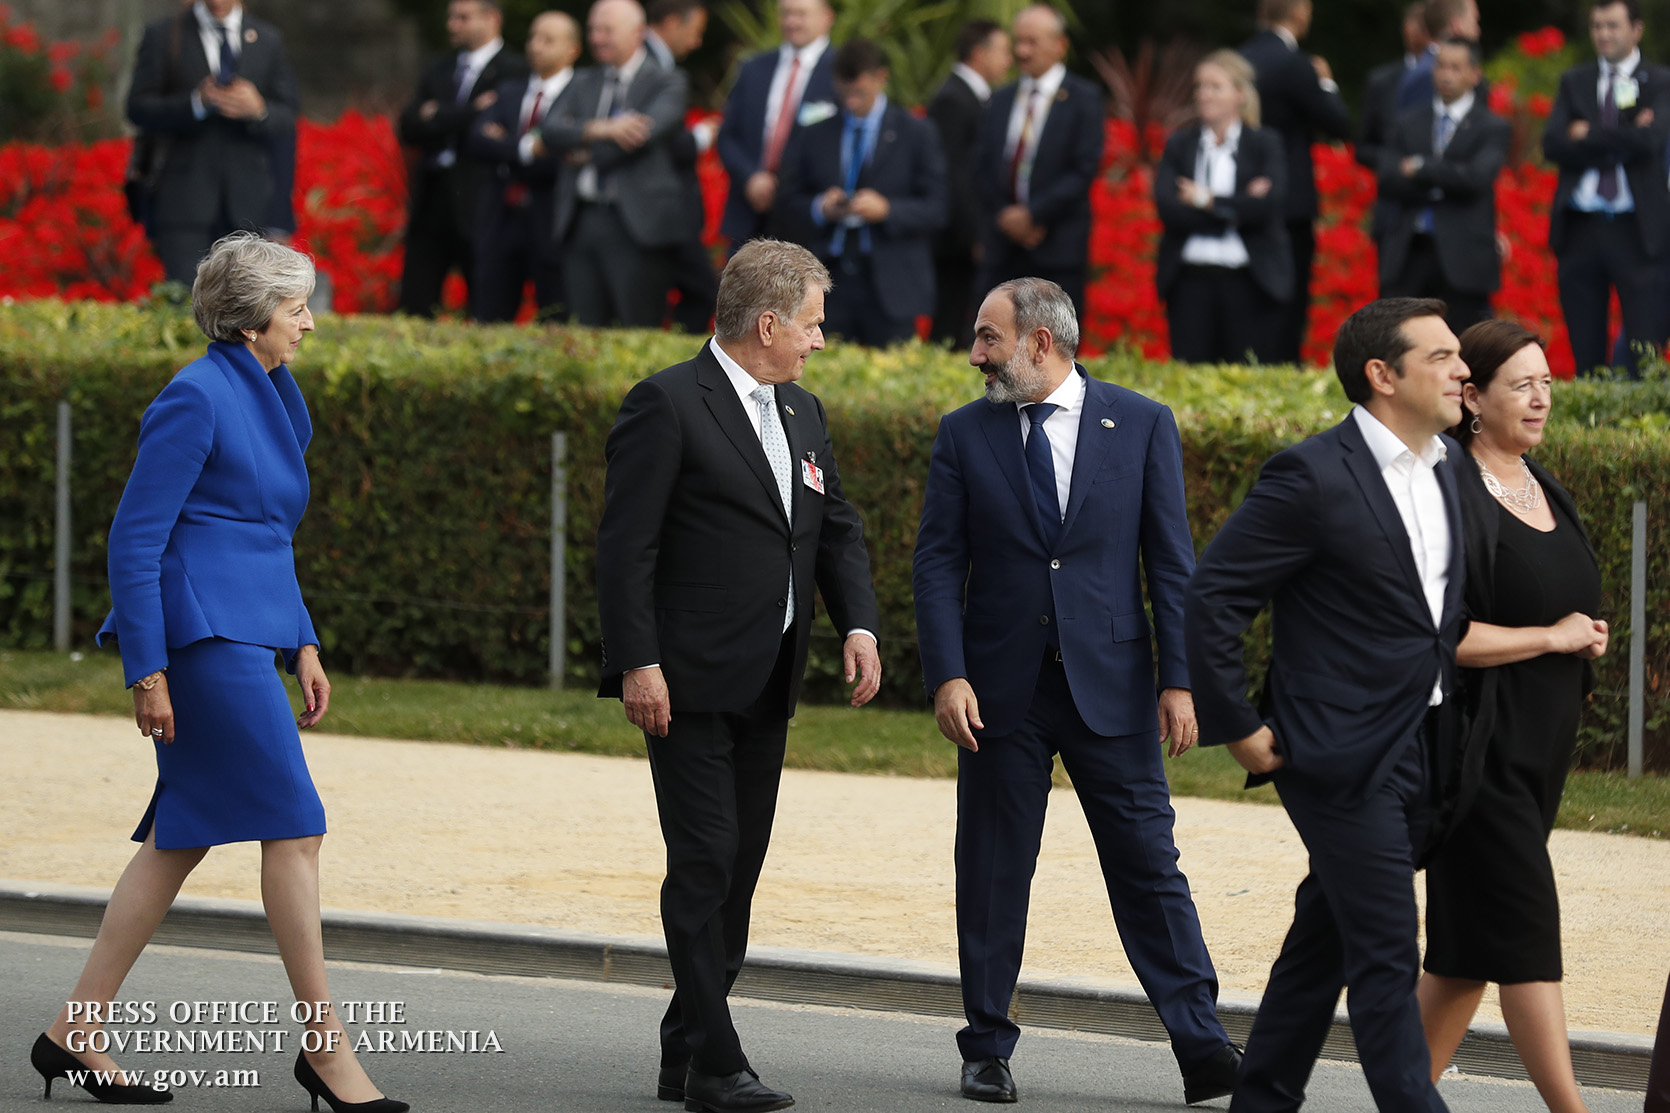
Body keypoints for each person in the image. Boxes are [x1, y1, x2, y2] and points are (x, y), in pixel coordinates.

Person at [27, 233, 405, 1113]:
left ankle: (76, 1029)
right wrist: (147, 670)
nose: (309, 321)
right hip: (200, 642)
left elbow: (268, 534)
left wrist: (303, 640)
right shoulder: (194, 395)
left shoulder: (275, 393)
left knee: (179, 838)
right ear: (248, 320)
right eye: (295, 307)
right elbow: (135, 539)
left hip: (249, 632)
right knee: (296, 826)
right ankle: (325, 1048)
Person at [912, 277, 1241, 1106]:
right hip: (999, 693)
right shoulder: (964, 434)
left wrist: (1180, 680)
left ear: (1040, 342)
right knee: (992, 867)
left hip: (1114, 689)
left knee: (1149, 864)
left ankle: (1203, 1045)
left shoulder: (1141, 422)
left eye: (988, 338)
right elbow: (938, 562)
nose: (976, 355)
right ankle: (986, 1046)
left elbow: (1173, 565)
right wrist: (948, 673)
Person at [594, 238, 882, 1113]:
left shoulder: (803, 409)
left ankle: (683, 1046)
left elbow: (835, 527)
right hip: (683, 682)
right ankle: (718, 1066)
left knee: (740, 867)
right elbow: (625, 548)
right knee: (705, 859)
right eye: (812, 325)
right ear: (767, 324)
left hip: (771, 677)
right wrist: (638, 662)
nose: (819, 340)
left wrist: (858, 622)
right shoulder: (667, 403)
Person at [1185, 297, 1468, 1113]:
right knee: (1386, 949)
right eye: (1441, 356)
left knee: (1327, 936)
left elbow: (1435, 619)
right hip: (1335, 752)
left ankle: (1262, 1097)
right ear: (1383, 375)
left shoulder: (1449, 467)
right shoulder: (1310, 475)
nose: (1462, 369)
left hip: (1425, 744)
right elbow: (1213, 598)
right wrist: (1239, 726)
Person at [1418, 320, 1608, 1113]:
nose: (1540, 398)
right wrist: (1552, 637)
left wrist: (1583, 637)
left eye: (1547, 383)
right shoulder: (1449, 488)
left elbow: (1559, 598)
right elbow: (1439, 635)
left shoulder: (1541, 483)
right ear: (1472, 396)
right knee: (1528, 932)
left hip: (1539, 755)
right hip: (1478, 753)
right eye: (1522, 384)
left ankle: (1405, 1095)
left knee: (1462, 958)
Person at [777, 38, 948, 347]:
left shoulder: (916, 132)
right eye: (844, 89)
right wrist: (820, 206)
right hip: (829, 277)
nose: (851, 99)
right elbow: (787, 197)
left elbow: (938, 207)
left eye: (859, 90)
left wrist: (888, 210)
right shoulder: (816, 132)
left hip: (891, 281)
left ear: (881, 77)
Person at [126, 0, 300, 285]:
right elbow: (137, 109)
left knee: (242, 305)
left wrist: (259, 110)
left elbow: (287, 117)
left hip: (248, 207)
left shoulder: (267, 39)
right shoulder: (165, 34)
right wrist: (195, 103)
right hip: (183, 203)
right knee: (187, 300)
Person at [538, 0, 688, 328]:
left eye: (607, 30)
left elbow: (642, 136)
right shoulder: (582, 80)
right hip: (581, 220)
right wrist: (602, 129)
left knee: (638, 330)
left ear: (637, 33)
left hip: (637, 225)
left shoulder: (667, 81)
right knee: (585, 331)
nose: (596, 38)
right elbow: (549, 130)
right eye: (593, 30)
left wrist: (584, 150)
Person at [1543, 0, 1670, 376]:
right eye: (1597, 26)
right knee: (1587, 353)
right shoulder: (1575, 80)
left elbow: (1652, 141)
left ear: (1636, 30)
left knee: (1644, 349)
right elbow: (1553, 144)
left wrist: (1586, 134)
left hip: (1637, 230)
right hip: (1581, 227)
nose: (1603, 34)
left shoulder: (1659, 81)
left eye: (1612, 25)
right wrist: (1626, 134)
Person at [1154, 50, 1292, 364]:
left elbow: (1268, 208)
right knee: (1189, 373)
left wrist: (1205, 201)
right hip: (1190, 282)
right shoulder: (1180, 144)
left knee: (1247, 372)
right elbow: (1168, 209)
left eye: (1215, 86)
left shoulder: (1264, 143)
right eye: (1200, 86)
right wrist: (1237, 209)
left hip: (1248, 281)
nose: (1204, 94)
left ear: (1240, 94)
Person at [973, 5, 1105, 322]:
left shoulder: (1084, 98)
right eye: (1018, 41)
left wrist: (1033, 214)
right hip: (1004, 247)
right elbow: (983, 164)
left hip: (1056, 244)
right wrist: (1008, 218)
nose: (1022, 51)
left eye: (1032, 42)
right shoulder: (1001, 99)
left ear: (1060, 45)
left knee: (1054, 341)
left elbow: (1083, 169)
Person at [397, 0, 527, 318]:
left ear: (491, 19)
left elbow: (493, 133)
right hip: (432, 199)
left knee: (485, 305)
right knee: (415, 303)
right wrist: (470, 112)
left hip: (481, 200)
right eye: (451, 17)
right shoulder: (439, 67)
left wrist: (437, 114)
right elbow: (409, 126)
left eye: (463, 18)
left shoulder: (514, 70)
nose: (452, 25)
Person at [1239, 0, 1352, 364]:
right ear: (1300, 12)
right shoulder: (1295, 63)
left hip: (1243, 195)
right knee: (1289, 301)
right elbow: (1337, 123)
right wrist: (1326, 82)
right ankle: (1282, 365)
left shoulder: (1241, 58)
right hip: (1291, 201)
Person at [1377, 38, 1510, 334]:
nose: (1446, 75)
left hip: (1464, 260)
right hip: (1410, 252)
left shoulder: (1492, 127)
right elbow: (1388, 177)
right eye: (1440, 67)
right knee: (1399, 342)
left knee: (1465, 344)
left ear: (1475, 74)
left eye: (1456, 68)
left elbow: (1476, 178)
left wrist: (1421, 167)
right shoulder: (1408, 122)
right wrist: (1449, 177)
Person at [466, 10, 580, 323]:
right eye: (533, 37)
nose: (535, 46)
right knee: (489, 317)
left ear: (572, 49)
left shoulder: (580, 96)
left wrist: (505, 147)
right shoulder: (509, 91)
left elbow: (562, 157)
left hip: (552, 223)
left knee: (556, 319)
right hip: (502, 220)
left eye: (548, 40)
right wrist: (528, 148)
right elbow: (477, 141)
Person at [715, 0, 836, 251]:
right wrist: (750, 177)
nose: (792, 22)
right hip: (748, 214)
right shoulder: (753, 68)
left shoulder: (840, 72)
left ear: (827, 17)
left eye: (801, 14)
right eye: (786, 14)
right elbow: (727, 135)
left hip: (807, 223)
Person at [927, 19, 1012, 349]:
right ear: (979, 53)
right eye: (1003, 51)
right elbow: (953, 175)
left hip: (963, 238)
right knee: (952, 323)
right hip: (956, 241)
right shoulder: (954, 99)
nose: (1009, 60)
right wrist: (973, 235)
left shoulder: (974, 97)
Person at [645, 0, 721, 334]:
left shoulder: (654, 62)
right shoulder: (650, 66)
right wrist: (700, 137)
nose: (697, 42)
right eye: (695, 31)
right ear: (673, 22)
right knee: (701, 290)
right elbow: (655, 138)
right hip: (658, 207)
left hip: (659, 208)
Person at [1358, 3, 1432, 247]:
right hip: (1393, 211)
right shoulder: (1382, 81)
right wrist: (1393, 163)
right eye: (1412, 23)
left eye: (1423, 24)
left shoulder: (1450, 79)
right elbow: (1363, 147)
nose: (1416, 30)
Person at [1396, 0, 1481, 112]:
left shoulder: (1425, 67)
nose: (1478, 31)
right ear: (1457, 24)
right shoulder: (1426, 75)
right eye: (1474, 21)